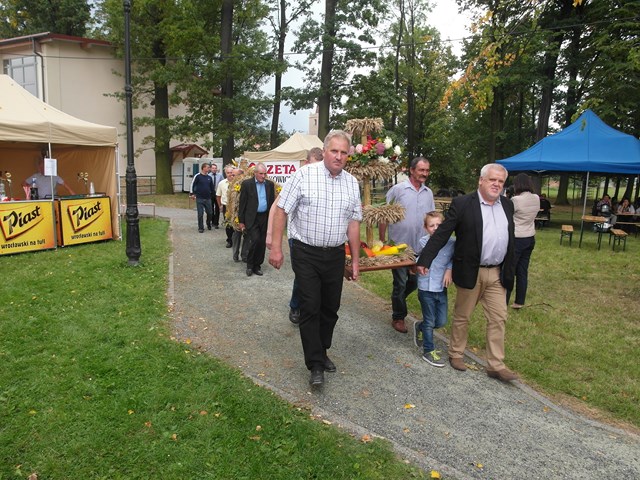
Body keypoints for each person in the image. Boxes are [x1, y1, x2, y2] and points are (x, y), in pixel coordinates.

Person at [268, 130, 362, 387]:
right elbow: (281, 210)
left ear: (348, 155)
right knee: (310, 305)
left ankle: (322, 350)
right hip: (305, 251)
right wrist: (275, 247)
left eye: (344, 152)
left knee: (331, 307)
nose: (339, 156)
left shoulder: (352, 183)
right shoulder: (303, 175)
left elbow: (353, 224)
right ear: (325, 150)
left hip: (334, 254)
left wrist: (354, 261)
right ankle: (315, 364)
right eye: (334, 151)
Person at [416, 163, 517, 382]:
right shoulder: (463, 204)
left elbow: (510, 238)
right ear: (481, 180)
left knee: (499, 318)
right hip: (471, 270)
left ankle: (496, 365)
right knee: (463, 316)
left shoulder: (507, 205)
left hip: (497, 273)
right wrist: (425, 258)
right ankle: (456, 354)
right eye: (492, 180)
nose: (496, 184)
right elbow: (443, 233)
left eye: (501, 181)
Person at [266, 146, 324, 324]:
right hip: (297, 237)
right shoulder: (297, 178)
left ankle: (314, 307)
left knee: (320, 277)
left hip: (318, 238)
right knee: (303, 275)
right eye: (314, 164)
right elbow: (277, 207)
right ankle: (296, 306)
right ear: (307, 162)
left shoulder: (325, 179)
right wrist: (270, 235)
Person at [378, 157, 435, 333]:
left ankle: (397, 298)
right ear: (411, 170)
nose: (424, 173)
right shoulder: (398, 190)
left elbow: (432, 218)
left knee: (414, 282)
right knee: (401, 282)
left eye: (426, 170)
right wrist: (382, 242)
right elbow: (383, 215)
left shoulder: (428, 193)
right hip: (399, 247)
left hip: (421, 247)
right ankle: (399, 317)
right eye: (421, 170)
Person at [414, 211, 455, 367]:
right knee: (430, 321)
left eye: (439, 225)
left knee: (441, 321)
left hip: (441, 288)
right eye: (432, 226)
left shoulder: (452, 243)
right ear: (426, 228)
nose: (436, 228)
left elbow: (453, 259)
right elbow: (418, 257)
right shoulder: (423, 242)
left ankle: (420, 326)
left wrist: (449, 269)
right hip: (425, 288)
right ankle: (428, 351)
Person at [506, 173, 539, 310]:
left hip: (517, 238)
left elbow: (506, 214)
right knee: (522, 271)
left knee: (509, 270)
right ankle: (519, 301)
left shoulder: (516, 200)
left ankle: (504, 300)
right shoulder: (536, 198)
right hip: (530, 236)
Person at [238, 163, 276, 276]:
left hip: (265, 217)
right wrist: (241, 221)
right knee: (254, 240)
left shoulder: (269, 185)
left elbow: (272, 203)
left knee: (261, 242)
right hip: (252, 217)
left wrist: (272, 218)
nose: (263, 176)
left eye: (265, 174)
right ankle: (249, 265)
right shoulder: (247, 184)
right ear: (255, 173)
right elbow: (242, 203)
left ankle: (257, 265)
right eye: (261, 174)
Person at [189, 162, 214, 233]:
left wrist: (213, 195)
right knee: (200, 213)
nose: (209, 169)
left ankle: (208, 223)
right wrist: (192, 193)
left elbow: (212, 188)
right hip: (199, 197)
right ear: (203, 168)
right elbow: (193, 185)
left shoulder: (209, 177)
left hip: (208, 198)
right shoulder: (198, 176)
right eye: (208, 167)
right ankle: (200, 227)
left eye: (209, 167)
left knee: (210, 213)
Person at [216, 166, 235, 247]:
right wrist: (220, 206)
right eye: (228, 173)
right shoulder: (222, 183)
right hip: (226, 206)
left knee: (236, 223)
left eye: (231, 172)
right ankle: (229, 240)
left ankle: (236, 239)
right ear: (225, 173)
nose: (230, 174)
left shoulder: (239, 182)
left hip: (236, 206)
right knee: (228, 224)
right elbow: (218, 196)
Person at [209, 163, 224, 229]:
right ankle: (212, 221)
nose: (214, 169)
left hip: (218, 194)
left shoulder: (220, 175)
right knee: (211, 208)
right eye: (213, 168)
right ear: (210, 169)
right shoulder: (209, 176)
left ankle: (216, 223)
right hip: (211, 194)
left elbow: (223, 183)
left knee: (218, 208)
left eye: (215, 168)